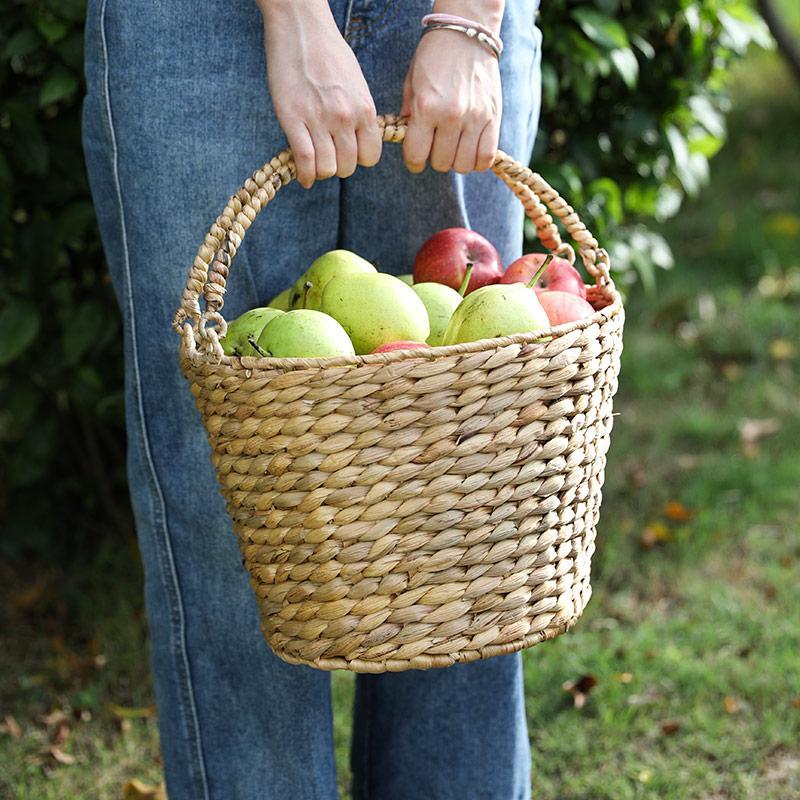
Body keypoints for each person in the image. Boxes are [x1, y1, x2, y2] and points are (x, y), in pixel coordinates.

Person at [82, 0, 542, 797]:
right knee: (229, 490)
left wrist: (469, 20)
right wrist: (293, 17)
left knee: (462, 494)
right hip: (203, 21)